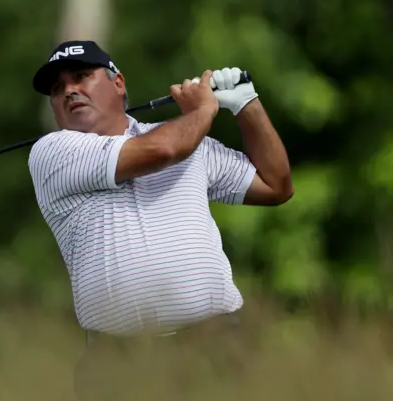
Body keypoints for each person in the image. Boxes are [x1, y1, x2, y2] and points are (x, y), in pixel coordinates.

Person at [27, 40, 293, 400]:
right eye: (57, 88)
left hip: (215, 347)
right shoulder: (52, 153)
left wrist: (248, 105)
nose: (69, 90)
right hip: (117, 365)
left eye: (81, 76)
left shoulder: (188, 139)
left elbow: (276, 185)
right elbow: (162, 150)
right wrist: (203, 111)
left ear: (118, 83)